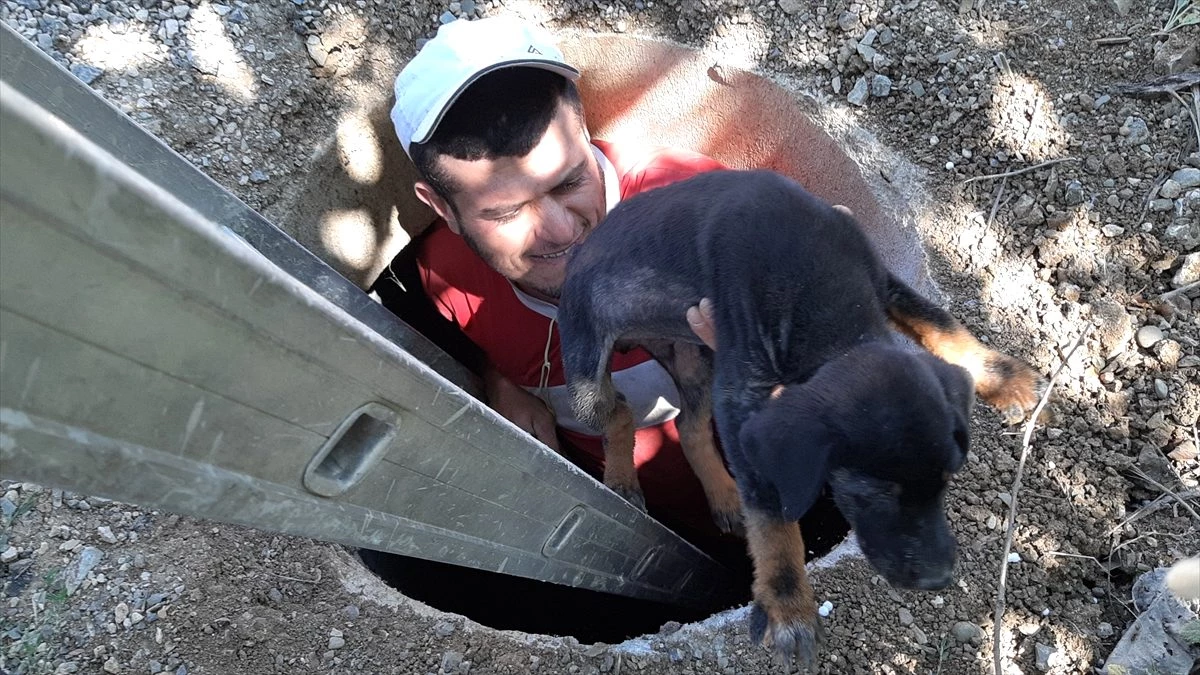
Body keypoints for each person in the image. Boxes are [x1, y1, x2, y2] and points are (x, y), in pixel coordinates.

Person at [387, 14, 732, 550]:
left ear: (585, 131)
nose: (562, 233)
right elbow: (471, 339)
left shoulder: (705, 214)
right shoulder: (444, 274)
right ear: (442, 209)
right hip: (657, 519)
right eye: (505, 212)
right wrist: (498, 379)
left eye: (569, 181)